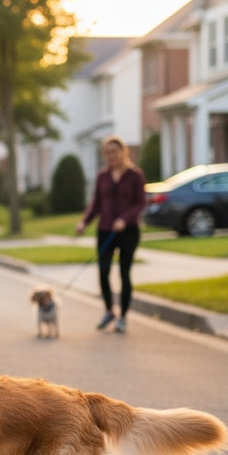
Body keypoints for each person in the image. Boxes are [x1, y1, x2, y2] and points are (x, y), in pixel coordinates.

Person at [75, 135, 147, 334]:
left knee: (124, 273)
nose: (110, 156)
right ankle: (108, 311)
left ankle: (123, 317)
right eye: (107, 153)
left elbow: (141, 203)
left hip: (128, 231)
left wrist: (125, 219)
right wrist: (84, 222)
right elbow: (96, 204)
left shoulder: (135, 175)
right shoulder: (102, 176)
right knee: (103, 271)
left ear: (123, 152)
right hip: (105, 230)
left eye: (114, 152)